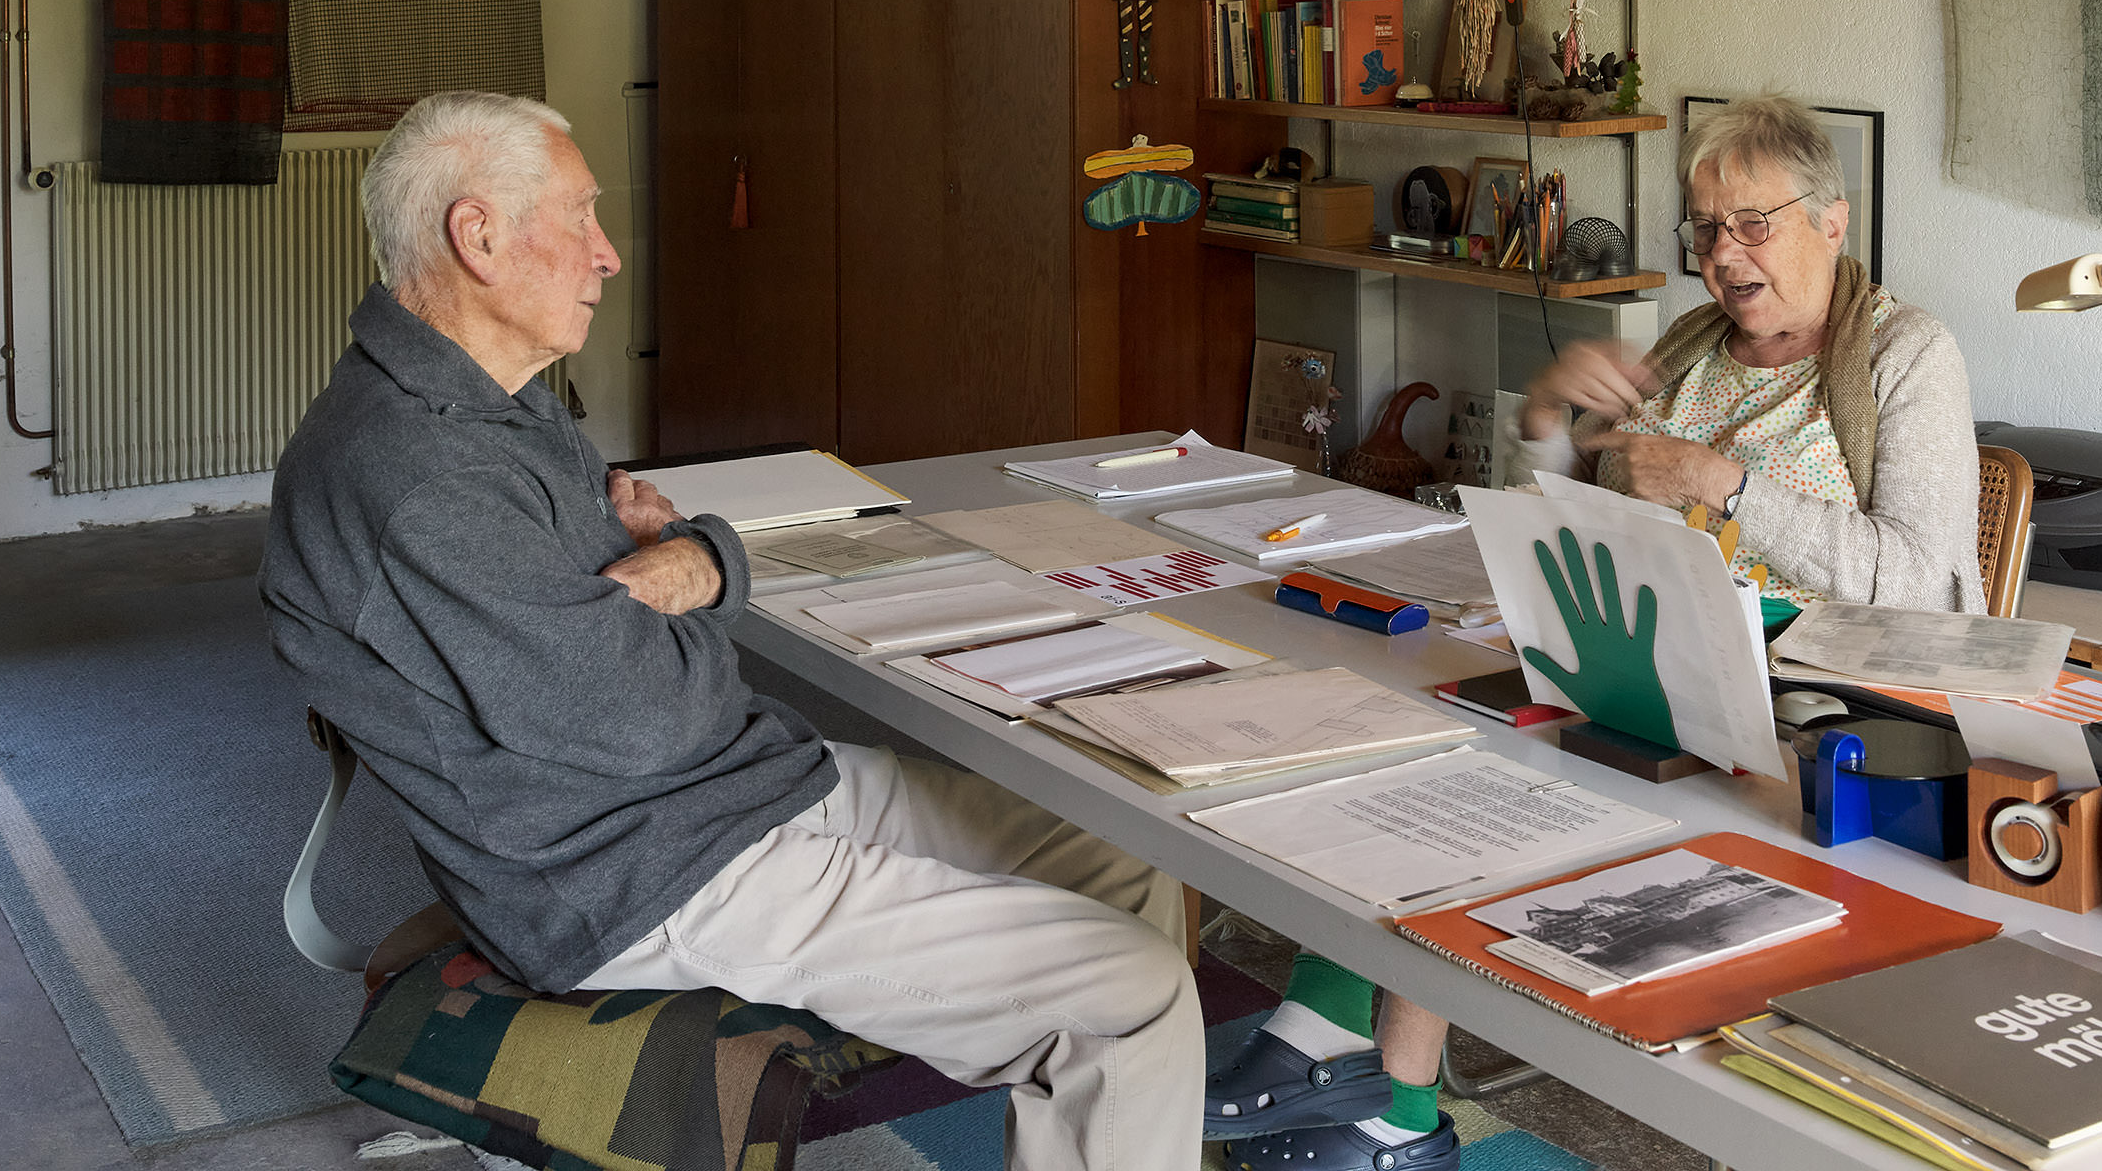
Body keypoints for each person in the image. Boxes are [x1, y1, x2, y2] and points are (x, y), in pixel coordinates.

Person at [262, 93, 1200, 1171]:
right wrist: (706, 576)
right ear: (477, 237)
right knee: (1130, 1001)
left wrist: (689, 569)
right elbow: (642, 720)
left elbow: (639, 628)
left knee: (1121, 860)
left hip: (726, 787)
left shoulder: (491, 401)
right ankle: (1129, 1088)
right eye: (580, 217)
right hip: (640, 870)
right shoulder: (420, 474)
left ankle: (1132, 1122)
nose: (606, 256)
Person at [1206, 95, 1980, 1171]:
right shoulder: (1693, 344)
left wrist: (1725, 484)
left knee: (1493, 780)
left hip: (1806, 712)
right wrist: (1544, 428)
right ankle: (1372, 1097)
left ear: (1832, 221)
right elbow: (1588, 518)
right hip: (1655, 674)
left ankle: (1371, 1095)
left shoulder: (1905, 353)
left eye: (1752, 224)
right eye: (1705, 230)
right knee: (1436, 748)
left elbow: (1923, 590)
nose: (1723, 254)